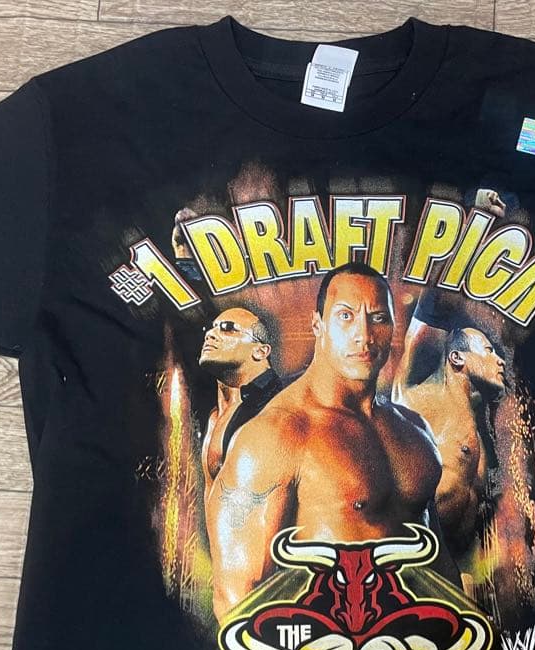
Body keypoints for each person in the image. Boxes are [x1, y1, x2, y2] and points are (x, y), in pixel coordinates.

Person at [206, 261, 459, 619]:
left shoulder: (414, 430)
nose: (364, 336)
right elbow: (236, 601)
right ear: (318, 326)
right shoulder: (275, 434)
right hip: (324, 646)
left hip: (422, 645)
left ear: (392, 328)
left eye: (378, 318)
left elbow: (439, 566)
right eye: (345, 316)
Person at [392, 306, 506, 562]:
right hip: (409, 560)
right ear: (456, 358)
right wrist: (438, 289)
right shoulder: (419, 398)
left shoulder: (476, 431)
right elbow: (417, 337)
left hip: (451, 566)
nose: (500, 360)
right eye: (488, 351)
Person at [197, 306, 282, 492]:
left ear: (260, 351)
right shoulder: (213, 415)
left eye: (228, 327)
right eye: (212, 328)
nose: (210, 334)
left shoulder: (280, 405)